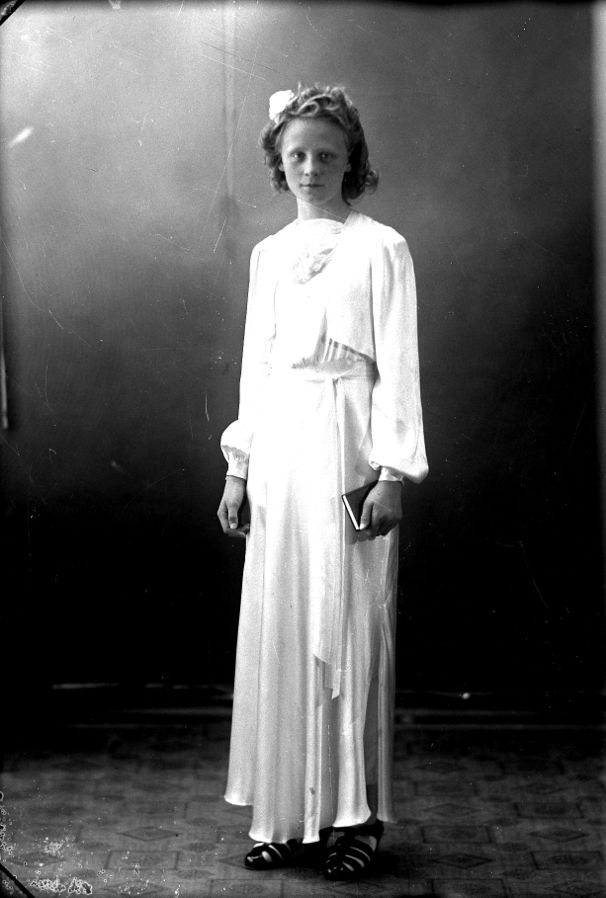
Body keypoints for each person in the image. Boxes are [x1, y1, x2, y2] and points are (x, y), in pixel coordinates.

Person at [217, 84, 428, 881]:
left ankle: (354, 820)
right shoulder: (269, 255)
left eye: (327, 155)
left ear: (351, 161)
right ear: (280, 162)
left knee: (349, 628)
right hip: (280, 452)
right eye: (297, 155)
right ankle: (286, 816)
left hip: (349, 447)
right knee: (282, 626)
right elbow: (258, 369)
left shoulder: (383, 248)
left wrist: (391, 471)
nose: (311, 169)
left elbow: (398, 367)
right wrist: (239, 467)